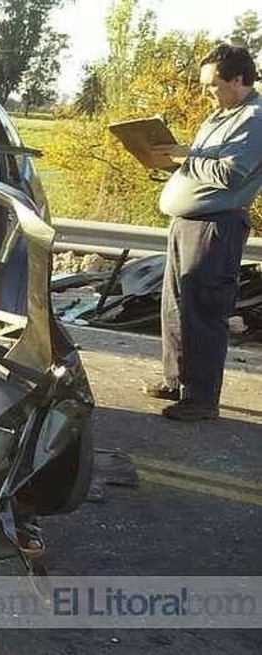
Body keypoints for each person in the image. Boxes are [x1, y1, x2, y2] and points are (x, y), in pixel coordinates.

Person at [145, 43, 262, 421]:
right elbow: (199, 167)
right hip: (186, 223)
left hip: (216, 226)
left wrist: (184, 158)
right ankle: (177, 381)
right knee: (175, 306)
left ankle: (201, 400)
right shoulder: (217, 117)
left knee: (203, 310)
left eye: (212, 84)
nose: (206, 91)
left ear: (239, 79)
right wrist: (167, 163)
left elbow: (230, 174)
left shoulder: (255, 119)